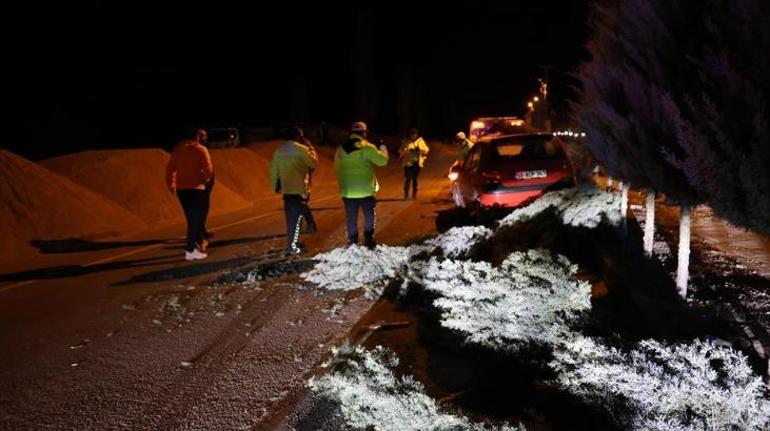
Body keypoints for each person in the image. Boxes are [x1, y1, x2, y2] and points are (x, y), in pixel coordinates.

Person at [333, 121, 389, 248]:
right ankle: (369, 238)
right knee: (369, 215)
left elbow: (337, 168)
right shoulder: (367, 147)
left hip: (348, 191)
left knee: (351, 217)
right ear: (364, 133)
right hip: (366, 191)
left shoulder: (340, 149)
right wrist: (382, 148)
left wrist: (343, 185)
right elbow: (383, 161)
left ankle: (353, 241)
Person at [166, 129, 214, 261]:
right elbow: (208, 169)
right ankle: (190, 250)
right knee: (195, 219)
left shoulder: (177, 150)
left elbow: (170, 169)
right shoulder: (201, 150)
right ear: (197, 137)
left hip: (182, 190)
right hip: (197, 188)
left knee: (191, 218)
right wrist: (206, 179)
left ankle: (196, 244)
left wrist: (171, 184)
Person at [269, 126, 318, 255]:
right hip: (300, 189)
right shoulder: (302, 149)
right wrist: (311, 148)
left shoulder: (279, 151)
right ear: (298, 136)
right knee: (297, 219)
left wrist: (275, 185)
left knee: (292, 219)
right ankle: (294, 246)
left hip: (287, 190)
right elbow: (313, 164)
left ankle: (294, 243)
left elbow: (274, 171)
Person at [196, 129, 215, 251]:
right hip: (200, 185)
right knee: (200, 209)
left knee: (204, 208)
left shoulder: (204, 148)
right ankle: (199, 234)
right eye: (203, 136)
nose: (205, 138)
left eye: (205, 136)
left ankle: (202, 230)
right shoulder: (198, 149)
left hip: (205, 185)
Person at [398, 128, 429, 200]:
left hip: (417, 164)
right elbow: (400, 150)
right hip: (408, 163)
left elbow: (427, 150)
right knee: (408, 178)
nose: (413, 136)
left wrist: (420, 150)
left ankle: (414, 194)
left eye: (414, 134)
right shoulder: (405, 141)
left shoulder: (420, 141)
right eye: (412, 134)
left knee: (415, 179)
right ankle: (406, 195)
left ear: (416, 134)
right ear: (410, 135)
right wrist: (406, 151)